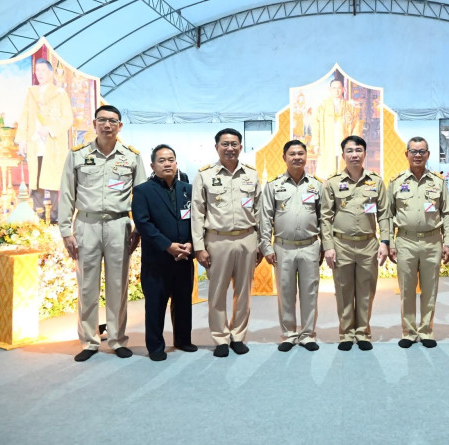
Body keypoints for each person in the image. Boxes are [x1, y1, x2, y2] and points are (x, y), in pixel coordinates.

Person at [58, 105, 146, 361]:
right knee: (87, 286)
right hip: (87, 225)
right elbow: (66, 193)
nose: (108, 125)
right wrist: (66, 231)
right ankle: (89, 341)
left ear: (120, 126)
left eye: (113, 121)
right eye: (103, 120)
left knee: (118, 285)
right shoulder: (77, 155)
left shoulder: (131, 157)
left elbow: (141, 196)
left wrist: (139, 228)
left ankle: (117, 339)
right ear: (94, 124)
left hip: (119, 225)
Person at [192, 128, 262, 358]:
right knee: (217, 292)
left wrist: (261, 243)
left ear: (241, 147)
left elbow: (259, 211)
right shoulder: (204, 175)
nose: (230, 148)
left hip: (247, 238)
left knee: (244, 292)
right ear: (217, 147)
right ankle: (220, 337)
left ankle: (238, 336)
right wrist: (199, 247)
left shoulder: (251, 174)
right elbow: (197, 213)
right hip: (217, 239)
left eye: (234, 144)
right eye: (225, 144)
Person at [321, 135, 390, 351]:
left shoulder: (376, 181)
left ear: (365, 154)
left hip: (368, 244)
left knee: (366, 291)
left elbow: (384, 214)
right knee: (343, 290)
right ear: (343, 155)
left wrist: (385, 242)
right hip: (341, 244)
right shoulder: (333, 182)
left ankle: (362, 333)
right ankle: (346, 334)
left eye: (358, 150)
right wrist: (328, 246)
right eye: (350, 151)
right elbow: (325, 216)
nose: (354, 155)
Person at [131, 144, 197, 361]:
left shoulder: (188, 189)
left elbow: (196, 220)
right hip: (157, 259)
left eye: (171, 160)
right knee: (155, 304)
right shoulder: (143, 191)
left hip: (184, 257)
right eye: (161, 160)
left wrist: (190, 244)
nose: (167, 164)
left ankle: (183, 340)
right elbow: (143, 223)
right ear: (152, 165)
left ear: (176, 163)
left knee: (183, 301)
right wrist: (168, 245)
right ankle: (155, 346)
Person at [388, 137, 449, 348]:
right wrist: (390, 243)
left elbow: (447, 213)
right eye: (414, 151)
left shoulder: (438, 182)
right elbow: (388, 214)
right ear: (406, 154)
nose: (418, 155)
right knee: (406, 289)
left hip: (432, 241)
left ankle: (426, 331)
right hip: (405, 240)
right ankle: (408, 332)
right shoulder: (396, 182)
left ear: (428, 154)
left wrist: (448, 241)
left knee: (430, 289)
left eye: (422, 151)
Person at [259, 140, 323, 352]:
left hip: (310, 246)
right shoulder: (273, 186)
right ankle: (288, 334)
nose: (297, 157)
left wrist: (324, 246)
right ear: (284, 157)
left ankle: (307, 334)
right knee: (285, 292)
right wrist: (266, 247)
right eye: (292, 154)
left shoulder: (316, 185)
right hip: (283, 248)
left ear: (306, 156)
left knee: (310, 293)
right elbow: (265, 217)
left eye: (300, 153)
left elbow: (324, 218)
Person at [15, 58, 73, 223]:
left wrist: (49, 129)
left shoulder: (60, 94)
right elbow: (24, 117)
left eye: (43, 70)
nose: (39, 74)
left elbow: (67, 118)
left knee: (55, 182)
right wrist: (22, 140)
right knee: (36, 181)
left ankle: (56, 218)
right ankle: (38, 217)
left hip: (53, 145)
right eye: (37, 71)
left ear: (51, 73)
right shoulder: (31, 93)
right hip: (35, 143)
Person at [313, 76, 360, 178]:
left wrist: (355, 143)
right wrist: (316, 144)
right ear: (330, 90)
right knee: (327, 172)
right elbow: (316, 125)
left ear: (343, 89)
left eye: (339, 88)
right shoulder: (322, 106)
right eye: (334, 88)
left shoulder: (350, 107)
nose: (336, 90)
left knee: (343, 169)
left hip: (343, 139)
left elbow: (356, 125)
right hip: (327, 141)